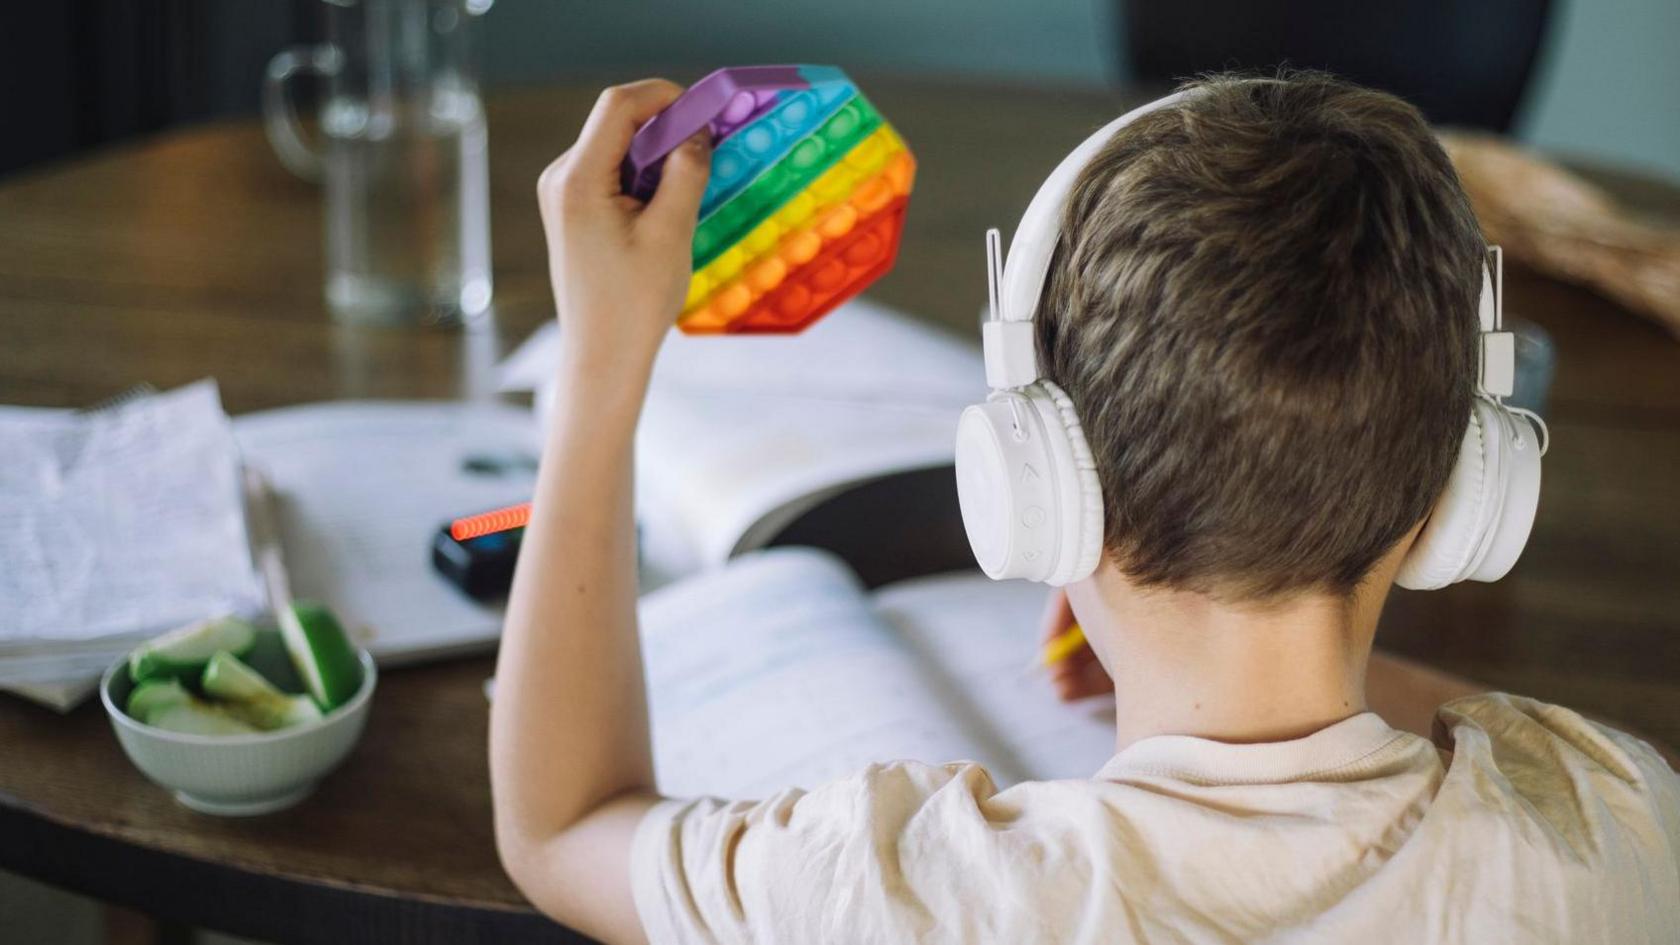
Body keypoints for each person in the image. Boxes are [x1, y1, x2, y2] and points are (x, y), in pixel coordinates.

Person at [488, 73, 1680, 944]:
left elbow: (562, 824)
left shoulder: (896, 899)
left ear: (1035, 490)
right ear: (1469, 494)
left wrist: (604, 363)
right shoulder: (1617, 831)